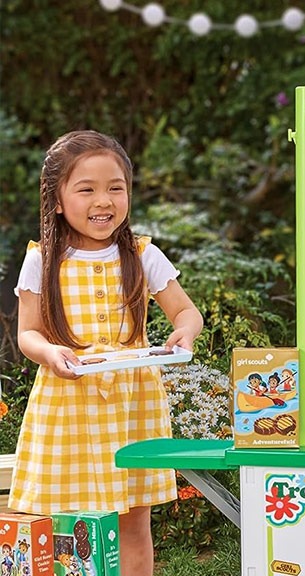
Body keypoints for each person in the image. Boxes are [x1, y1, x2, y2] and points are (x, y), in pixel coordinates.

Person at [13, 130, 203, 576]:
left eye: (116, 188)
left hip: (131, 403)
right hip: (67, 400)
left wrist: (183, 333)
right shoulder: (41, 259)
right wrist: (50, 353)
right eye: (87, 189)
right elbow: (28, 334)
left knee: (134, 518)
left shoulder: (142, 254)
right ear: (57, 201)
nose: (104, 200)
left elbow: (187, 312)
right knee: (66, 521)